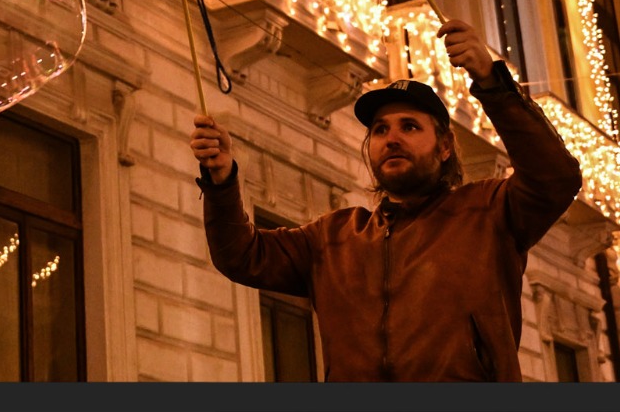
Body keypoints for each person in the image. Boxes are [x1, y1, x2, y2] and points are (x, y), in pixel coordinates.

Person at [189, 19, 582, 381]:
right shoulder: (334, 237)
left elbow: (555, 177)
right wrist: (222, 180)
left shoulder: (489, 211)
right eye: (380, 130)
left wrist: (491, 82)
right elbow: (242, 255)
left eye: (409, 127)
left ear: (445, 146)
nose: (392, 138)